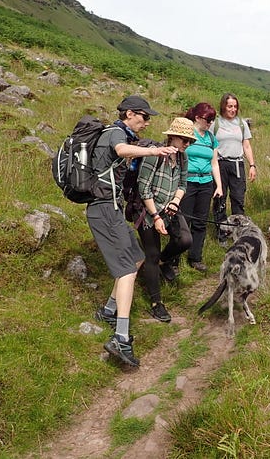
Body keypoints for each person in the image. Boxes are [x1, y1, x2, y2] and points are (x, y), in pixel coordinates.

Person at [91, 95, 177, 367]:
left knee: (137, 257)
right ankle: (121, 337)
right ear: (129, 113)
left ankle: (108, 311)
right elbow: (120, 150)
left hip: (111, 208)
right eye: (144, 116)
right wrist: (155, 151)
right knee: (127, 269)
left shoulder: (123, 132)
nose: (147, 121)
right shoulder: (116, 132)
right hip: (103, 208)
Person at [135, 117, 195, 323]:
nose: (187, 144)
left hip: (170, 207)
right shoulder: (155, 155)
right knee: (151, 253)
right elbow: (143, 188)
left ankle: (160, 264)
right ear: (172, 137)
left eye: (190, 141)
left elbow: (183, 183)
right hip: (147, 209)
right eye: (183, 139)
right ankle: (156, 303)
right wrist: (156, 216)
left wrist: (175, 202)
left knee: (185, 240)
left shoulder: (182, 158)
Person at [181, 102, 223, 272]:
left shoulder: (211, 139)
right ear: (197, 117)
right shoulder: (186, 133)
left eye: (213, 120)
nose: (210, 123)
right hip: (187, 182)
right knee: (184, 220)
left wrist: (218, 186)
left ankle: (195, 257)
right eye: (208, 119)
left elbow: (214, 163)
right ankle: (174, 259)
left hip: (206, 183)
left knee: (201, 221)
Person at [212, 93, 256, 245]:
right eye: (230, 106)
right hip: (220, 164)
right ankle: (222, 233)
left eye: (235, 106)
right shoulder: (215, 124)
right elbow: (209, 143)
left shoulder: (241, 124)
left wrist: (252, 165)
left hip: (237, 164)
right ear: (223, 106)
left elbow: (247, 145)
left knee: (238, 199)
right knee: (220, 199)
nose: (232, 109)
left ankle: (239, 232)